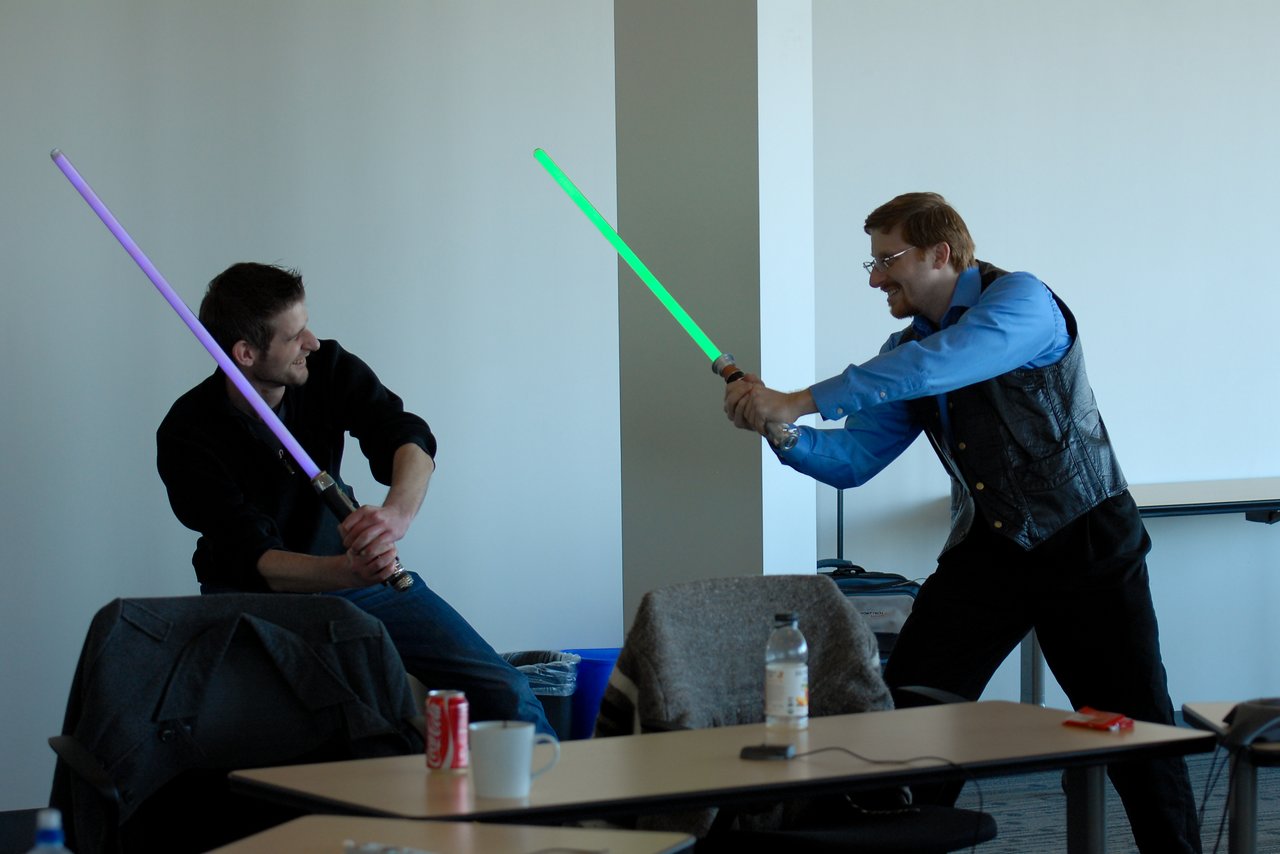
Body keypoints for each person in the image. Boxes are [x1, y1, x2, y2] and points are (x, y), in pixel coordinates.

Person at [723, 193, 1200, 853]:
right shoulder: (905, 350)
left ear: (941, 253)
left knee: (1135, 727)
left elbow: (940, 364)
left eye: (887, 259)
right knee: (909, 718)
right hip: (992, 552)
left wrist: (800, 398)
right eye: (871, 262)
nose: (874, 278)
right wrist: (784, 432)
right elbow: (854, 459)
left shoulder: (1024, 302)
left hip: (1087, 541)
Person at [157, 261, 551, 734]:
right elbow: (251, 555)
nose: (313, 343)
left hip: (361, 581)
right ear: (244, 353)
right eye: (295, 335)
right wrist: (344, 570)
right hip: (254, 599)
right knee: (338, 727)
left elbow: (406, 435)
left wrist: (396, 517)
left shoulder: (327, 368)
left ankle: (565, 810)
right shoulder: (187, 432)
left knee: (506, 693)